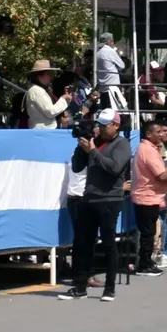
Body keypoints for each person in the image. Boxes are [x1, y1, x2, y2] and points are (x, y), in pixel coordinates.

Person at [59, 109, 132, 302]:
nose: (100, 128)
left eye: (104, 125)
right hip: (89, 197)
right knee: (83, 244)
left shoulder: (121, 143)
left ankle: (109, 288)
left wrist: (93, 151)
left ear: (116, 125)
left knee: (108, 244)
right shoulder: (95, 141)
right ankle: (80, 286)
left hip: (109, 199)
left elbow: (114, 168)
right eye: (98, 124)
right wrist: (81, 147)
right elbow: (77, 167)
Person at [132, 121, 167, 275]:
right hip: (146, 197)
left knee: (149, 232)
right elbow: (161, 175)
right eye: (158, 132)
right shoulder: (148, 150)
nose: (162, 135)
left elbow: (160, 170)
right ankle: (144, 264)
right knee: (148, 234)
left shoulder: (150, 149)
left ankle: (147, 261)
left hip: (150, 197)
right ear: (149, 134)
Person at [24, 60, 72, 129]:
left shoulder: (40, 90)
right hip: (42, 133)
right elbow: (50, 112)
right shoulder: (36, 90)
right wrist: (63, 99)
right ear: (39, 75)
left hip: (45, 132)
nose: (51, 76)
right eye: (48, 73)